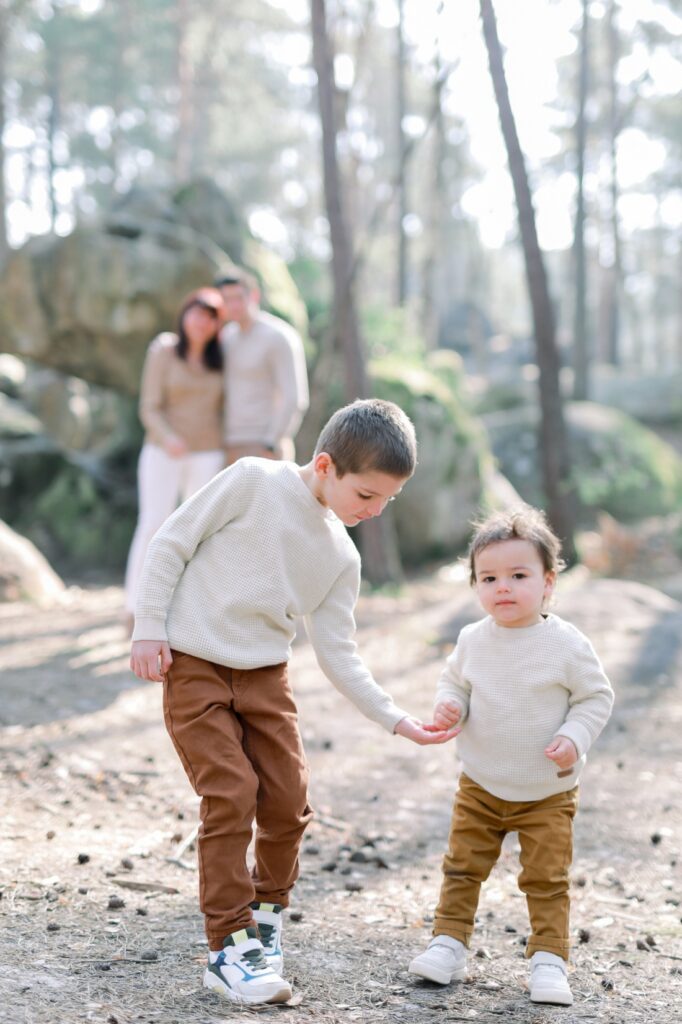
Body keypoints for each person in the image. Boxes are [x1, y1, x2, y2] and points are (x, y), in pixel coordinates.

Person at [129, 398, 457, 1006]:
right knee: (230, 792)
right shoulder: (253, 481)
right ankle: (228, 948)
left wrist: (395, 718)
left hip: (264, 678)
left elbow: (339, 651)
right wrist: (149, 625)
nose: (375, 510)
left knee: (287, 800)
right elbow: (172, 540)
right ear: (326, 464)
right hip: (195, 664)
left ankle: (264, 919)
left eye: (389, 500)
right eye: (366, 495)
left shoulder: (341, 555)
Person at [408, 506, 614, 1007]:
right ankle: (449, 943)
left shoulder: (565, 643)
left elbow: (595, 697)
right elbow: (454, 682)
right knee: (462, 867)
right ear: (475, 584)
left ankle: (549, 958)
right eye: (489, 577)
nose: (503, 587)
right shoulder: (472, 639)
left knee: (545, 878)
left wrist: (574, 735)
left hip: (547, 790)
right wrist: (451, 704)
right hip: (480, 782)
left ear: (547, 582)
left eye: (518, 576)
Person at [124, 288, 226, 624]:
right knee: (153, 524)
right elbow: (148, 406)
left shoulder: (221, 359)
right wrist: (169, 438)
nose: (201, 322)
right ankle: (135, 608)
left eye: (210, 317)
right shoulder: (164, 350)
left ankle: (184, 611)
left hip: (207, 454)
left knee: (196, 532)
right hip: (162, 451)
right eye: (196, 313)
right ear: (184, 315)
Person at [214, 269, 309, 465]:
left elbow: (294, 398)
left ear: (254, 295)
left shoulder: (278, 336)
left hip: (264, 444)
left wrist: (271, 442)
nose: (233, 305)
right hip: (230, 443)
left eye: (238, 298)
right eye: (226, 299)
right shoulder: (227, 337)